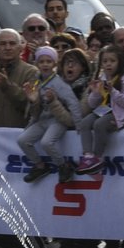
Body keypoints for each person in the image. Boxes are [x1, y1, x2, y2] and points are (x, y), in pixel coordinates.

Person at [17, 46, 81, 183]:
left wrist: (78, 124)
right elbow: (34, 110)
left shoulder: (59, 83)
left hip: (57, 120)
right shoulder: (36, 82)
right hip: (42, 119)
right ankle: (40, 165)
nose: (45, 64)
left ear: (54, 64)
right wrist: (33, 101)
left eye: (48, 61)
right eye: (41, 61)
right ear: (36, 64)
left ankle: (63, 166)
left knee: (47, 142)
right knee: (22, 140)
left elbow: (73, 103)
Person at [75, 44, 124, 174]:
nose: (108, 64)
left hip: (117, 113)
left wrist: (112, 91)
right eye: (105, 61)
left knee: (98, 125)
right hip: (102, 110)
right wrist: (96, 92)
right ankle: (88, 156)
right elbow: (91, 104)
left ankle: (98, 157)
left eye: (112, 61)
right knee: (84, 123)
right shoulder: (101, 78)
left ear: (119, 62)